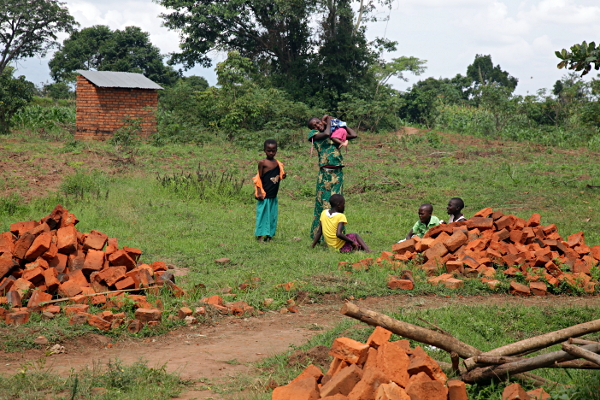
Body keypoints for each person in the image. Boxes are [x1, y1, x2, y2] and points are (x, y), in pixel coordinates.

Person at [307, 115, 358, 239]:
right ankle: (320, 235)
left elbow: (354, 135)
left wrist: (342, 125)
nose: (317, 125)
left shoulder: (334, 132)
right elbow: (325, 134)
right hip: (325, 175)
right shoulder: (314, 135)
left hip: (338, 174)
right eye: (314, 125)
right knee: (323, 203)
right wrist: (329, 122)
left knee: (338, 204)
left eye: (318, 122)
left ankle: (337, 233)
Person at [253, 139, 286, 242]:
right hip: (264, 195)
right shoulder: (262, 163)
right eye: (269, 150)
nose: (271, 153)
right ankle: (260, 236)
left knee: (272, 216)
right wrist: (258, 192)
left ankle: (270, 236)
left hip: (273, 195)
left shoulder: (278, 163)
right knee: (262, 215)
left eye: (273, 150)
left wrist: (282, 176)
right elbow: (259, 178)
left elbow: (277, 177)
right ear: (264, 150)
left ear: (276, 150)